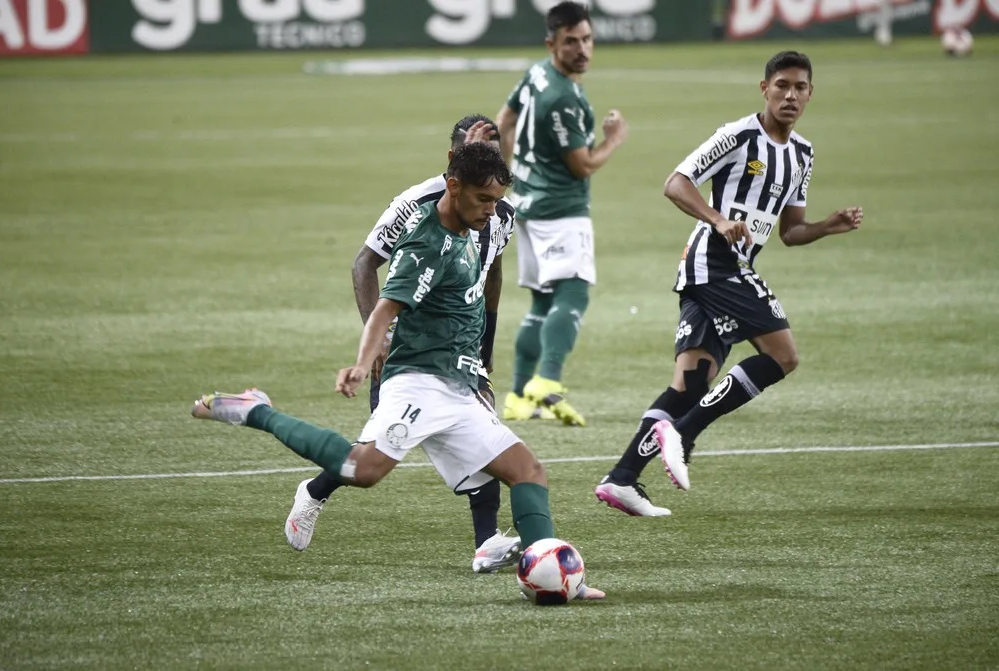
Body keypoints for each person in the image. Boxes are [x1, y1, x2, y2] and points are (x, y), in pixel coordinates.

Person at [192, 142, 605, 599]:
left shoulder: (470, 229)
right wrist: (362, 363)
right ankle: (257, 410)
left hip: (458, 387)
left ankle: (555, 575)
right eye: (483, 199)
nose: (492, 210)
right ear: (453, 185)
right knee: (363, 470)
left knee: (527, 471)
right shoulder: (426, 245)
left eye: (495, 200)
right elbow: (385, 309)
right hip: (419, 383)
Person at [595, 50, 864, 515]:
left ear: (810, 94)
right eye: (781, 85)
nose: (790, 95)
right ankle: (684, 432)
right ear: (765, 88)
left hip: (725, 268)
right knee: (784, 355)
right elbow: (676, 182)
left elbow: (790, 231)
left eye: (800, 88)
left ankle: (621, 479)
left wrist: (826, 226)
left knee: (690, 384)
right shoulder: (738, 135)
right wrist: (717, 218)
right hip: (714, 263)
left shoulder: (802, 154)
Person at [286, 114, 523, 573]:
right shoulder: (416, 205)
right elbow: (364, 265)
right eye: (475, 150)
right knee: (372, 457)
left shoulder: (500, 212)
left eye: (494, 152)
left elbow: (491, 273)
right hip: (409, 354)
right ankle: (315, 491)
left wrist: (485, 350)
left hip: (461, 354)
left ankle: (487, 541)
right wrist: (378, 343)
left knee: (488, 443)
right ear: (453, 160)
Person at [495, 1, 628, 427]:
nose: (582, 49)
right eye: (572, 42)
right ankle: (547, 381)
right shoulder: (564, 98)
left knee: (542, 301)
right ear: (552, 42)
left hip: (527, 206)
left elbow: (505, 121)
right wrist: (613, 140)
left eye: (587, 39)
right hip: (561, 209)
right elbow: (582, 164)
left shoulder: (537, 73)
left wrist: (509, 174)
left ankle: (518, 396)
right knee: (574, 293)